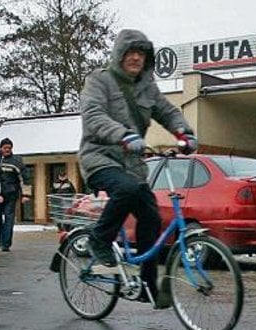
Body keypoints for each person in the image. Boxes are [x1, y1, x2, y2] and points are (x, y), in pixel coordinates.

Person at [79, 29, 197, 309]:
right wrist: (123, 134)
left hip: (132, 164)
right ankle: (99, 240)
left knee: (152, 217)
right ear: (119, 54)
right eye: (131, 52)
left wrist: (184, 133)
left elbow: (167, 111)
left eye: (141, 54)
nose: (135, 58)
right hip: (99, 157)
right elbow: (93, 116)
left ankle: (147, 284)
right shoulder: (99, 81)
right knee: (127, 189)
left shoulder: (147, 87)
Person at [0, 137, 30, 252]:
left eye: (9, 148)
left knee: (9, 219)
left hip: (10, 194)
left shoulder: (16, 162)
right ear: (0, 148)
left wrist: (25, 194)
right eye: (5, 147)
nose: (7, 150)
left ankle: (6, 243)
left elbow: (24, 178)